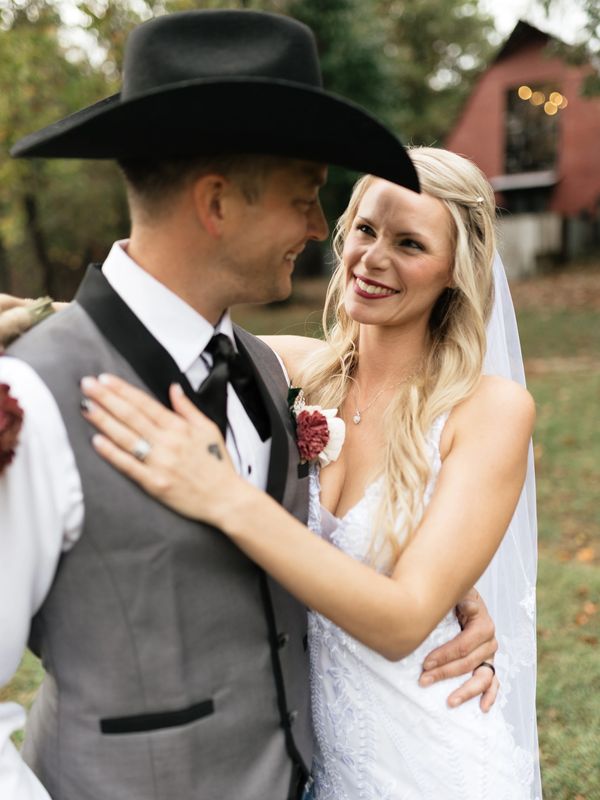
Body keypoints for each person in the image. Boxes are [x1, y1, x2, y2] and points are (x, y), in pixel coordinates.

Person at [0, 11, 499, 800]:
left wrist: (442, 587)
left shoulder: (266, 371)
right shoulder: (30, 398)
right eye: (307, 200)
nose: (321, 230)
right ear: (218, 204)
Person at [78, 147, 542, 799]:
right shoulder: (293, 370)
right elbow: (143, 336)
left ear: (455, 273)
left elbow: (406, 618)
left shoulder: (490, 410)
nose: (374, 258)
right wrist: (36, 317)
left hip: (434, 763)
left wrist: (226, 498)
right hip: (311, 767)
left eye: (410, 244)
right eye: (367, 229)